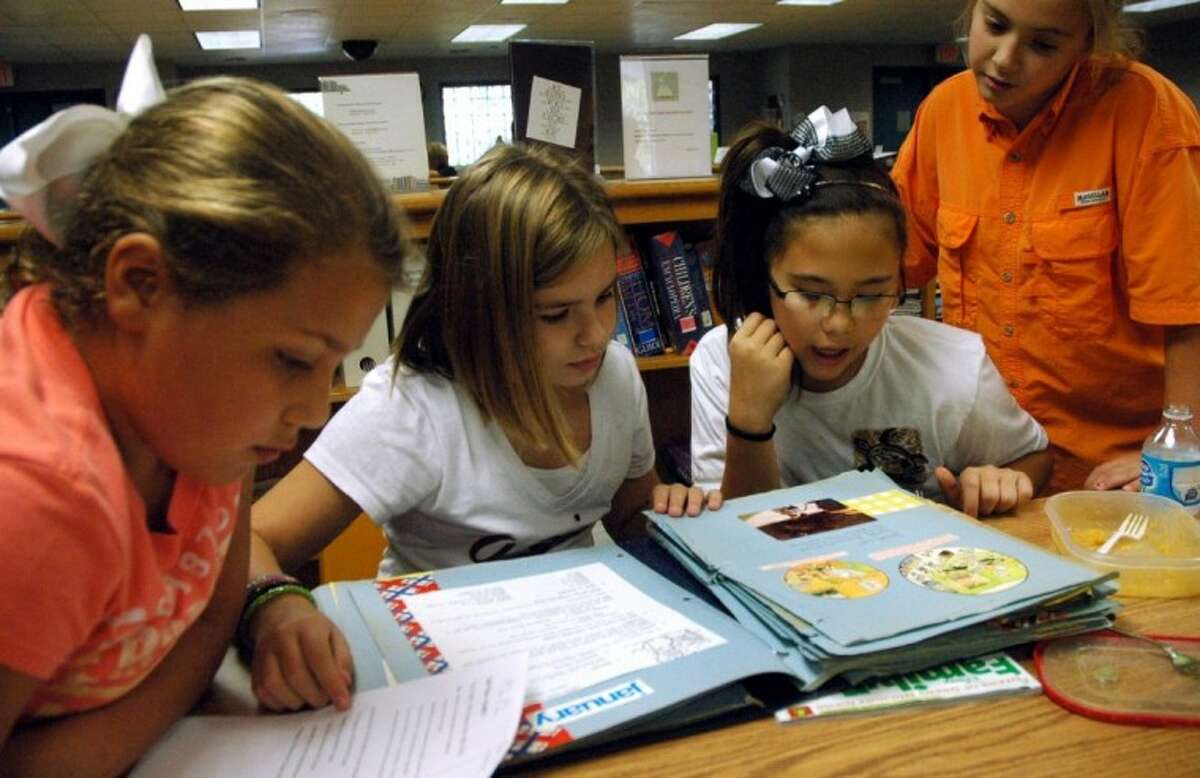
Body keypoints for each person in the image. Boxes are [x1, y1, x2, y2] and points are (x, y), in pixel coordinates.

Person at [0, 72, 410, 774]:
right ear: (139, 285)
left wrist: (269, 606)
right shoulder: (34, 498)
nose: (314, 411)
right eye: (292, 360)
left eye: (331, 365)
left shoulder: (197, 413)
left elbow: (213, 610)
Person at [246, 142, 719, 714]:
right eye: (555, 313)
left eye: (604, 297)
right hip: (449, 670)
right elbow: (251, 540)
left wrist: (667, 509)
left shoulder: (613, 374)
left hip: (579, 649)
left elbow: (628, 516)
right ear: (480, 308)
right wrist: (279, 606)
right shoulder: (412, 407)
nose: (595, 334)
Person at [892, 0, 1200, 493]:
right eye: (994, 25)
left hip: (1104, 475)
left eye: (1043, 44)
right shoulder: (944, 112)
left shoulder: (1148, 114)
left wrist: (1181, 454)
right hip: (979, 467)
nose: (1004, 59)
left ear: (1088, 44)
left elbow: (1187, 314)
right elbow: (888, 268)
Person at [690, 107, 1051, 519]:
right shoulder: (722, 362)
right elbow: (732, 536)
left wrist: (998, 483)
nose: (839, 324)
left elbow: (1033, 458)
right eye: (811, 293)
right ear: (764, 277)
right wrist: (749, 424)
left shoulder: (955, 366)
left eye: (871, 295)